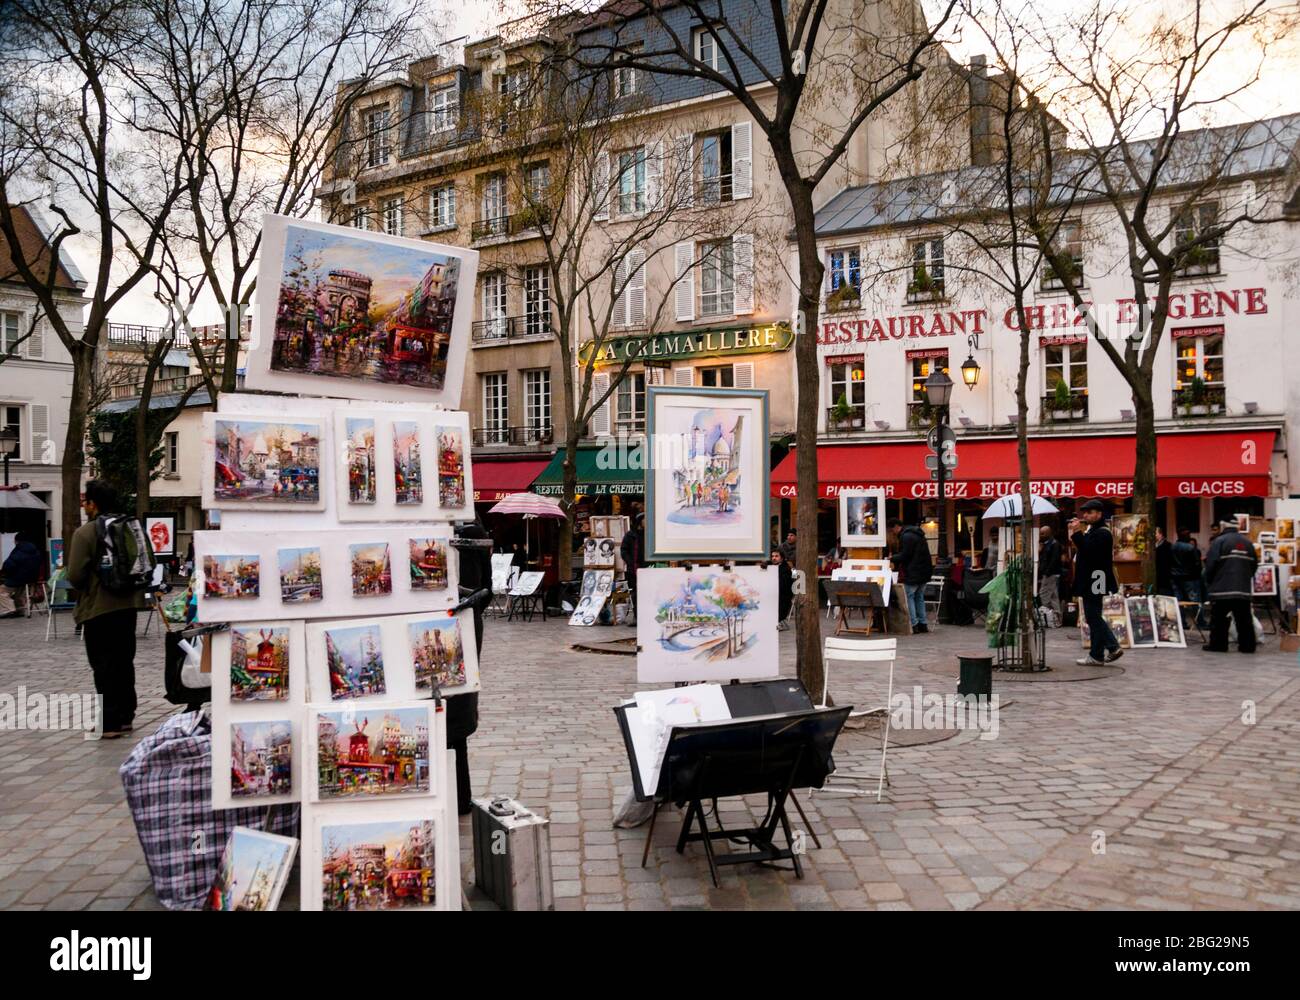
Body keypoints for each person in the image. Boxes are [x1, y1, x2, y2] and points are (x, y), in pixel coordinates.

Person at [67, 481, 145, 738]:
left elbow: (75, 574)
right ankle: (125, 716)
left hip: (99, 608)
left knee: (103, 665)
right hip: (128, 605)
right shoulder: (129, 527)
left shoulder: (86, 533)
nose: (84, 506)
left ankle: (109, 722)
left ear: (93, 504)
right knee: (124, 661)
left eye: (86, 502)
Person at [449, 518, 491, 814]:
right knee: (457, 723)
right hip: (467, 622)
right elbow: (488, 588)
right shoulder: (473, 532)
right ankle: (460, 797)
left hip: (460, 623)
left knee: (455, 719)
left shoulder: (467, 534)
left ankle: (458, 797)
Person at [1070, 499, 1122, 666]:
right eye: (1084, 512)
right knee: (1093, 616)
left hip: (1096, 578)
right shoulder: (1095, 531)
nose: (1085, 515)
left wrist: (1077, 534)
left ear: (1099, 514)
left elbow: (1089, 551)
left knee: (1093, 616)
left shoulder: (1103, 533)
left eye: (1089, 512)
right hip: (1093, 578)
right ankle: (1097, 655)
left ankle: (1112, 647)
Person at [1203, 519, 1258, 654]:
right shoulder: (1247, 543)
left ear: (1223, 526)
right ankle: (1247, 646)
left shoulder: (1219, 541)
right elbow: (1254, 565)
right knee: (1244, 620)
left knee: (1220, 620)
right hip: (1242, 590)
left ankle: (1218, 645)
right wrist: (1245, 578)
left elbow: (1210, 565)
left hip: (1222, 589)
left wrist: (1210, 582)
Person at [888, 517, 933, 633]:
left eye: (892, 530)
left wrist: (892, 558)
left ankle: (914, 624)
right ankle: (923, 624)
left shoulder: (906, 536)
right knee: (920, 597)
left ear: (896, 527)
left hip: (914, 572)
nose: (892, 533)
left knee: (910, 597)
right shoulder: (917, 534)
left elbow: (905, 555)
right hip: (924, 571)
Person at [0, 531, 42, 617]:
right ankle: (20, 609)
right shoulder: (36, 551)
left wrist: (5, 573)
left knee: (2, 591)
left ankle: (9, 609)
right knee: (19, 592)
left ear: (17, 541)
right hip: (31, 579)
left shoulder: (19, 550)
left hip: (18, 579)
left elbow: (8, 565)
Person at [1171, 529, 1206, 624]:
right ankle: (1200, 621)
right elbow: (1197, 563)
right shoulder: (1190, 548)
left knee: (1179, 601)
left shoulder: (1172, 547)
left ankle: (1182, 622)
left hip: (1175, 577)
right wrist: (1197, 575)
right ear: (1186, 536)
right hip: (1190, 577)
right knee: (1195, 600)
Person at [620, 513, 645, 624]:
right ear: (640, 521)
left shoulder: (650, 534)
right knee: (636, 593)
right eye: (645, 520)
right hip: (634, 569)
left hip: (648, 567)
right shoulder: (630, 535)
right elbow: (623, 550)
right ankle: (637, 616)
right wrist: (630, 562)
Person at [1037, 525, 1062, 626]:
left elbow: (1054, 560)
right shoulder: (1047, 544)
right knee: (1053, 596)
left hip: (1050, 574)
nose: (1041, 535)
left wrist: (1047, 572)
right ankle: (1057, 619)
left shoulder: (1054, 544)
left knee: (1044, 594)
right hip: (1050, 573)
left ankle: (1046, 617)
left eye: (1042, 533)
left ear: (1048, 533)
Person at [772, 549, 793, 629]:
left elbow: (785, 585)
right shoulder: (771, 567)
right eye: (773, 556)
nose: (774, 558)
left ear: (782, 558)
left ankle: (780, 622)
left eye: (776, 556)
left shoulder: (786, 569)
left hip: (783, 596)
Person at [1154, 526, 1174, 596]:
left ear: (1160, 534)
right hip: (1156, 576)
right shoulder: (1153, 546)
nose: (1154, 535)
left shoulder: (1168, 545)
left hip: (1164, 576)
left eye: (1155, 533)